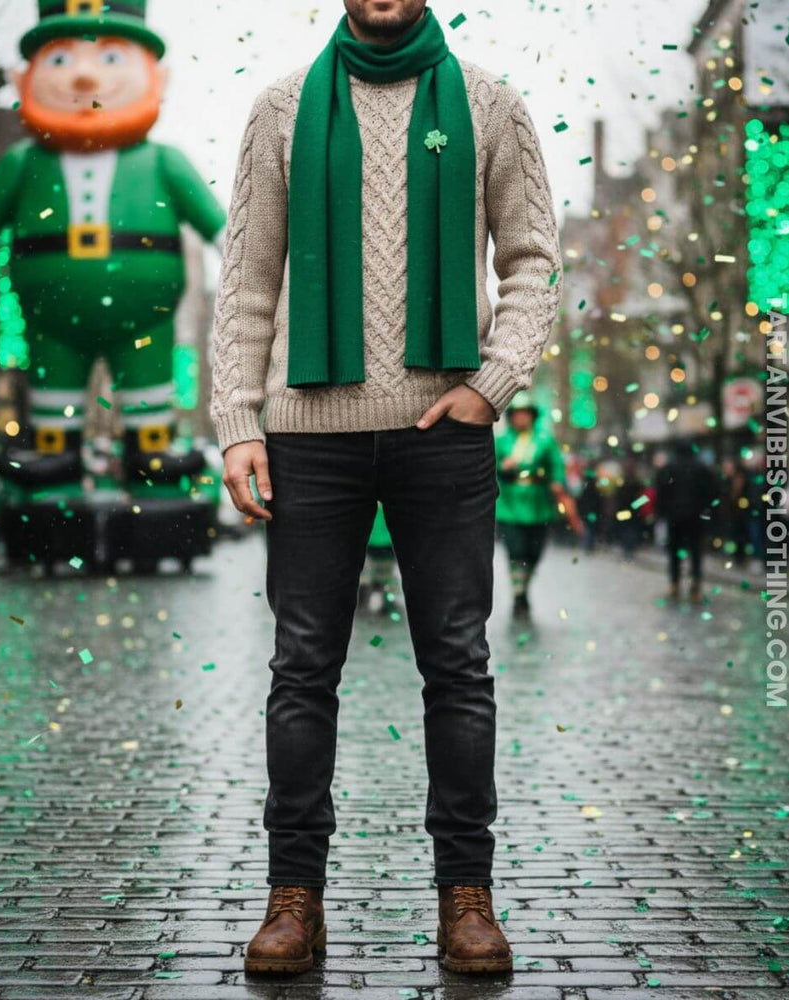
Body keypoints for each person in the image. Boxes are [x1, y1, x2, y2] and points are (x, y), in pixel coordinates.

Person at [211, 0, 560, 976]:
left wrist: (490, 386)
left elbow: (532, 259)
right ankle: (293, 898)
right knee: (301, 667)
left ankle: (466, 900)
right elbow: (246, 276)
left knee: (456, 664)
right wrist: (238, 423)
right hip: (306, 437)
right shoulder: (281, 109)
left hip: (440, 433)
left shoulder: (489, 105)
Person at [0, 0, 226, 492]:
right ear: (24, 78)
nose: (83, 78)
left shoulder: (165, 162)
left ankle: (154, 472)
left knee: (150, 414)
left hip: (145, 319)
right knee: (54, 414)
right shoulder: (22, 162)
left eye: (111, 58)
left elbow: (223, 228)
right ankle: (55, 477)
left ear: (156, 78)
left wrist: (264, 267)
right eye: (60, 59)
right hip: (51, 321)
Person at [495, 392, 582, 617]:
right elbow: (489, 469)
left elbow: (557, 466)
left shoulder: (545, 441)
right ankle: (518, 594)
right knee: (516, 550)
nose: (521, 419)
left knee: (534, 552)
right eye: (518, 414)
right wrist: (503, 468)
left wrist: (556, 482)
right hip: (510, 504)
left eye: (526, 414)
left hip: (539, 502)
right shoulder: (501, 442)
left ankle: (525, 587)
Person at [655, 442, 718, 602]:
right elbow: (711, 491)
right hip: (695, 517)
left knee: (674, 552)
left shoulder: (669, 468)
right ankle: (695, 586)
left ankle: (674, 583)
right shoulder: (701, 468)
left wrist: (662, 512)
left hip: (674, 517)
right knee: (696, 552)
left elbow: (661, 492)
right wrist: (707, 511)